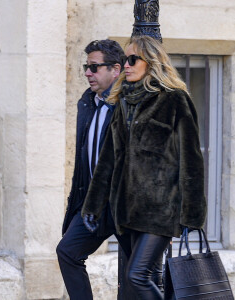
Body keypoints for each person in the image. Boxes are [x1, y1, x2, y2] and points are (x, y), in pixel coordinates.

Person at [82, 35, 207, 300]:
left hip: (160, 209)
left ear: (150, 62)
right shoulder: (124, 102)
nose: (125, 65)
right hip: (126, 211)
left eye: (132, 59)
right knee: (147, 278)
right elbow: (107, 160)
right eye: (125, 60)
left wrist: (192, 214)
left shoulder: (174, 100)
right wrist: (92, 205)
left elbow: (192, 160)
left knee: (136, 276)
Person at [56, 39, 162, 300]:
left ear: (116, 69)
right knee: (68, 252)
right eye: (86, 67)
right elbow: (85, 159)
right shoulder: (88, 103)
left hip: (126, 206)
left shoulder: (131, 103)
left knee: (139, 275)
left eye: (94, 67)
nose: (88, 73)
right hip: (94, 205)